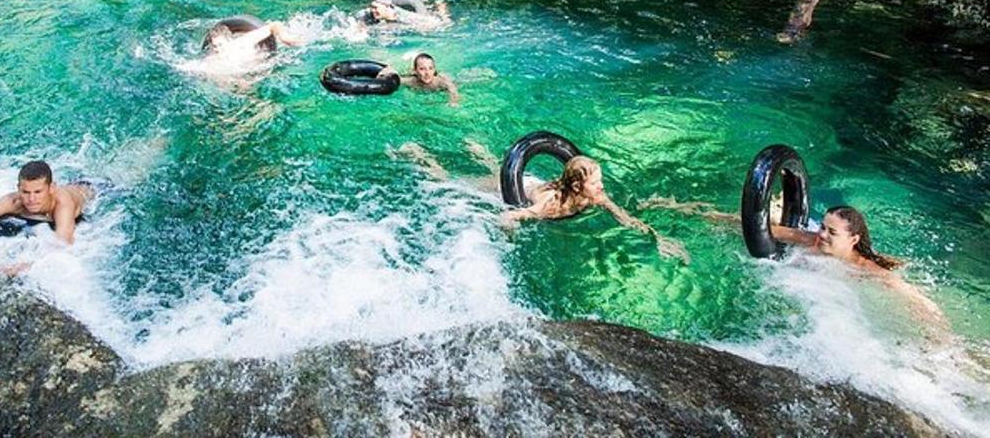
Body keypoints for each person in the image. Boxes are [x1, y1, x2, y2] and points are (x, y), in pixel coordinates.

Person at [638, 197, 946, 326]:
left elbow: (911, 297)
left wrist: (935, 329)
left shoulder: (866, 269)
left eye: (831, 232)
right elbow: (764, 228)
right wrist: (695, 215)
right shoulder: (811, 240)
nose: (822, 235)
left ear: (853, 240)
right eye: (823, 227)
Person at [393, 139, 689, 263]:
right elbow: (508, 216)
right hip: (520, 187)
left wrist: (656, 238)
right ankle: (419, 155)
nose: (602, 187)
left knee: (503, 168)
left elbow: (623, 216)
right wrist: (510, 242)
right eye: (596, 182)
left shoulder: (593, 197)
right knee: (450, 181)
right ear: (577, 186)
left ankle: (482, 153)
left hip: (533, 181)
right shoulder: (551, 207)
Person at [376, 52, 459, 105]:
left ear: (434, 69)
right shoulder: (412, 81)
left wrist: (453, 101)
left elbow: (452, 89)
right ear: (415, 71)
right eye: (422, 69)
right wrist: (385, 74)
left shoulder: (440, 81)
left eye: (430, 68)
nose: (427, 73)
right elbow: (396, 78)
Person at [203, 20, 303, 58]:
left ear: (229, 41)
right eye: (215, 47)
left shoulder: (242, 43)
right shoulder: (212, 59)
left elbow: (274, 25)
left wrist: (284, 37)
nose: (218, 50)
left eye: (220, 45)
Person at [357, 0, 451, 27]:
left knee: (443, 21)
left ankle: (439, 7)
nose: (372, 10)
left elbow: (436, 24)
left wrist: (443, 17)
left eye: (375, 7)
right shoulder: (368, 14)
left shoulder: (404, 16)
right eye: (372, 6)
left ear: (387, 6)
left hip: (415, 7)